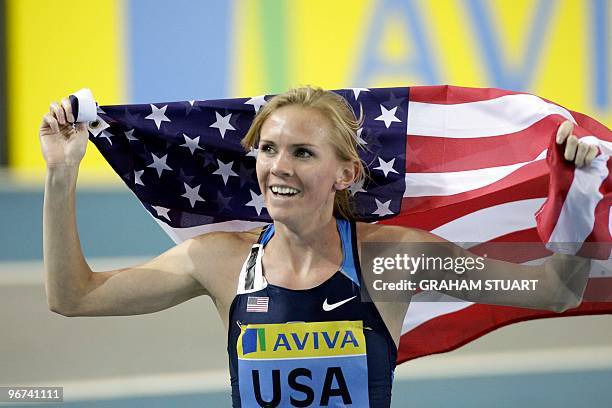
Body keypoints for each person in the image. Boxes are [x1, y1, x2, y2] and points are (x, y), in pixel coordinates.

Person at [40, 86, 596, 407]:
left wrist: (575, 201)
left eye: (302, 153)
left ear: (346, 174)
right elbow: (73, 296)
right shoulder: (220, 262)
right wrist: (61, 175)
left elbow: (556, 292)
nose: (278, 166)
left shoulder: (393, 260)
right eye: (268, 149)